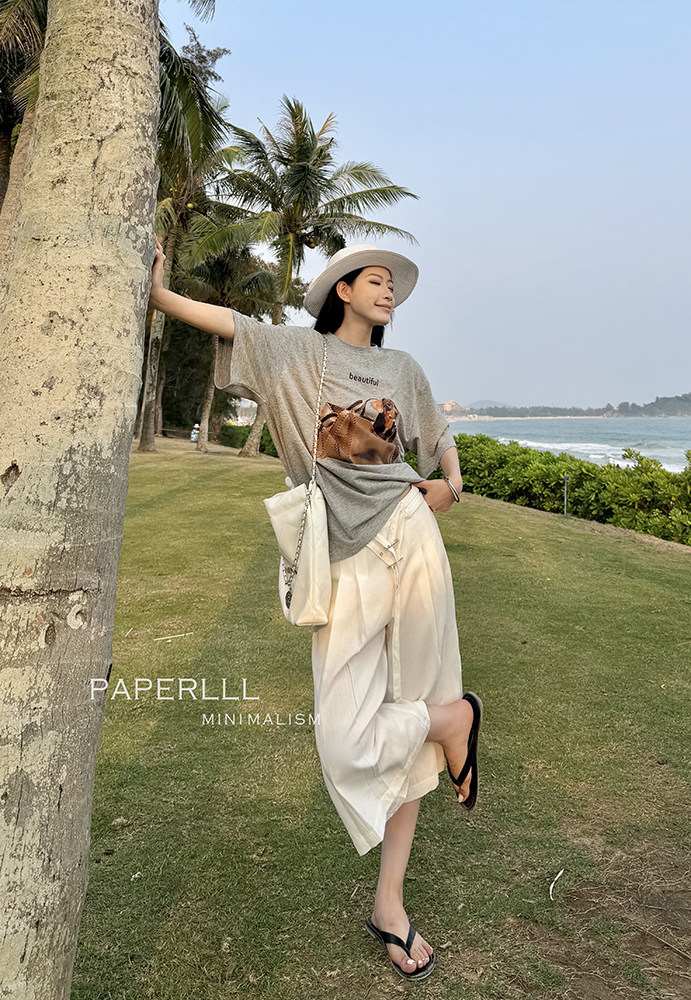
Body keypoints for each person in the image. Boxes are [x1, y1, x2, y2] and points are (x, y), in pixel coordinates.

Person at [148, 240, 483, 982]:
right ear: (342, 291)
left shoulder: (404, 369)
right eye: (376, 281)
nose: (389, 292)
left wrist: (450, 487)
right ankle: (452, 719)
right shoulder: (296, 353)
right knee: (345, 736)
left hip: (411, 533)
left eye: (393, 285)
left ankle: (390, 905)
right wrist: (159, 292)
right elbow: (230, 323)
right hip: (341, 557)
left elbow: (439, 437)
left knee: (408, 702)